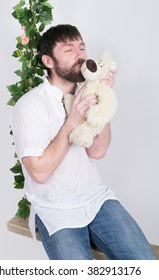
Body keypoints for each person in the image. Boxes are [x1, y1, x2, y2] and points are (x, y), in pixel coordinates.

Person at [11, 24, 155, 260]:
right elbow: (39, 172)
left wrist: (100, 100)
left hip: (96, 199)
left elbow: (98, 151)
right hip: (55, 210)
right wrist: (71, 122)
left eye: (82, 47)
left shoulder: (84, 94)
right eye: (69, 50)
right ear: (49, 61)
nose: (80, 55)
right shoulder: (30, 106)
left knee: (146, 265)